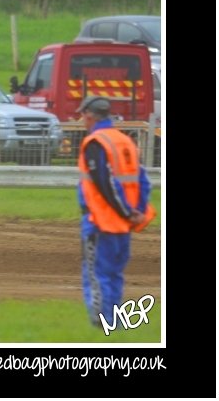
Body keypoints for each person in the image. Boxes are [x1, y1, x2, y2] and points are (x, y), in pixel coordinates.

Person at [76, 95, 156, 327]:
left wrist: (125, 212)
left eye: (82, 115)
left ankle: (102, 325)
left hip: (100, 221)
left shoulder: (95, 142)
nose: (82, 119)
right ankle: (114, 323)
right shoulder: (124, 141)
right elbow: (143, 181)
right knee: (114, 275)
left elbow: (105, 183)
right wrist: (137, 212)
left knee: (97, 275)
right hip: (123, 224)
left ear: (90, 116)